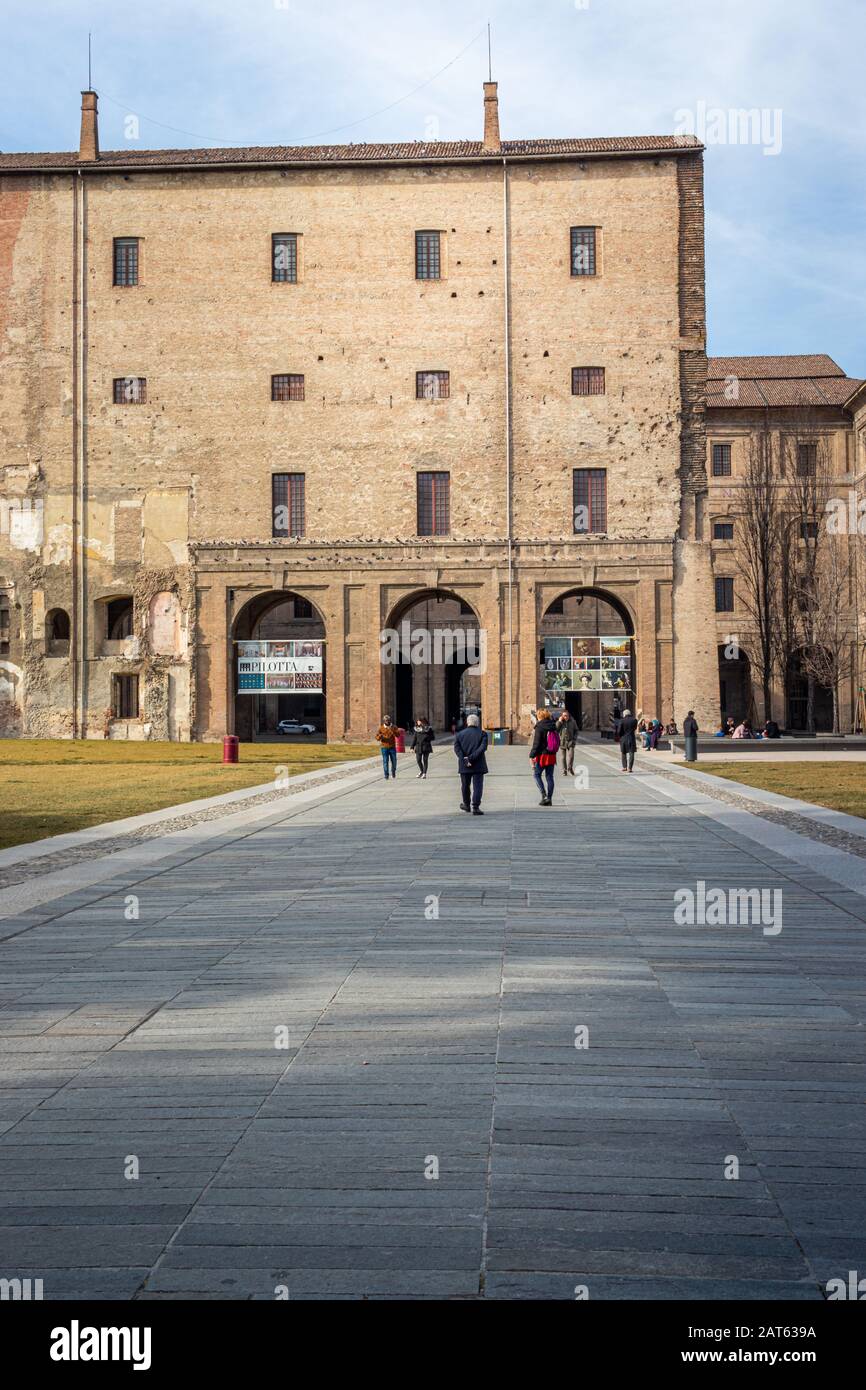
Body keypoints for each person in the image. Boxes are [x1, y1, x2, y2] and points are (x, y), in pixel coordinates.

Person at [453, 714, 488, 815]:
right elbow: (483, 748)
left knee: (465, 785)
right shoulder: (483, 734)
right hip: (478, 764)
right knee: (478, 786)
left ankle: (466, 805)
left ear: (467, 722)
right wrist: (471, 758)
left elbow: (457, 748)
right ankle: (476, 807)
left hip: (464, 765)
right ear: (478, 723)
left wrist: (464, 759)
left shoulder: (459, 734)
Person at [529, 707, 559, 806]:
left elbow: (536, 743)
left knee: (536, 775)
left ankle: (544, 795)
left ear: (539, 716)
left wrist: (531, 755)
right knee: (549, 776)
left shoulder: (540, 726)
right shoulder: (553, 725)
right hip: (552, 754)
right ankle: (549, 799)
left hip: (542, 755)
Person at [616, 707, 638, 773]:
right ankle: (630, 768)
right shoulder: (634, 720)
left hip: (623, 738)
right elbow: (635, 728)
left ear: (624, 714)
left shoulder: (622, 721)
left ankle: (624, 767)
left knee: (623, 753)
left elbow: (619, 731)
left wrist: (620, 736)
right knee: (631, 753)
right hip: (631, 738)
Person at [557, 709, 578, 776]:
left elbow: (576, 731)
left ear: (569, 715)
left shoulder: (573, 721)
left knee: (571, 756)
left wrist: (574, 739)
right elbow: (556, 729)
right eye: (564, 716)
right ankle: (564, 770)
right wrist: (559, 721)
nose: (565, 717)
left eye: (566, 715)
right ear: (562, 716)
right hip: (562, 741)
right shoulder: (560, 722)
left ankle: (570, 768)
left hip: (570, 741)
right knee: (563, 757)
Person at [376, 715, 398, 780]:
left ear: (390, 720)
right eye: (386, 720)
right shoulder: (381, 728)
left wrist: (394, 731)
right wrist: (380, 736)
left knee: (394, 761)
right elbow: (377, 737)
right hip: (384, 747)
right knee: (385, 761)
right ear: (384, 721)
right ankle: (386, 775)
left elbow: (398, 735)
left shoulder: (393, 727)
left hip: (392, 747)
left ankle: (393, 771)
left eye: (388, 720)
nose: (387, 721)